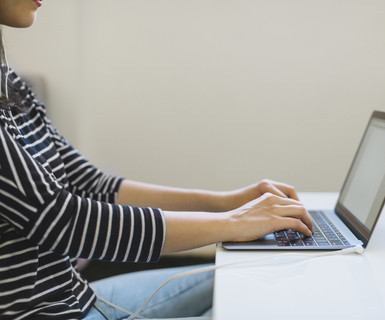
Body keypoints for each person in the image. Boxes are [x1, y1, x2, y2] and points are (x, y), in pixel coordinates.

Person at [0, 1, 313, 319]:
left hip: (75, 297)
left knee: (249, 281)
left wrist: (227, 203)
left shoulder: (9, 82)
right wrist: (233, 223)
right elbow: (64, 221)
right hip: (45, 313)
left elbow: (89, 185)